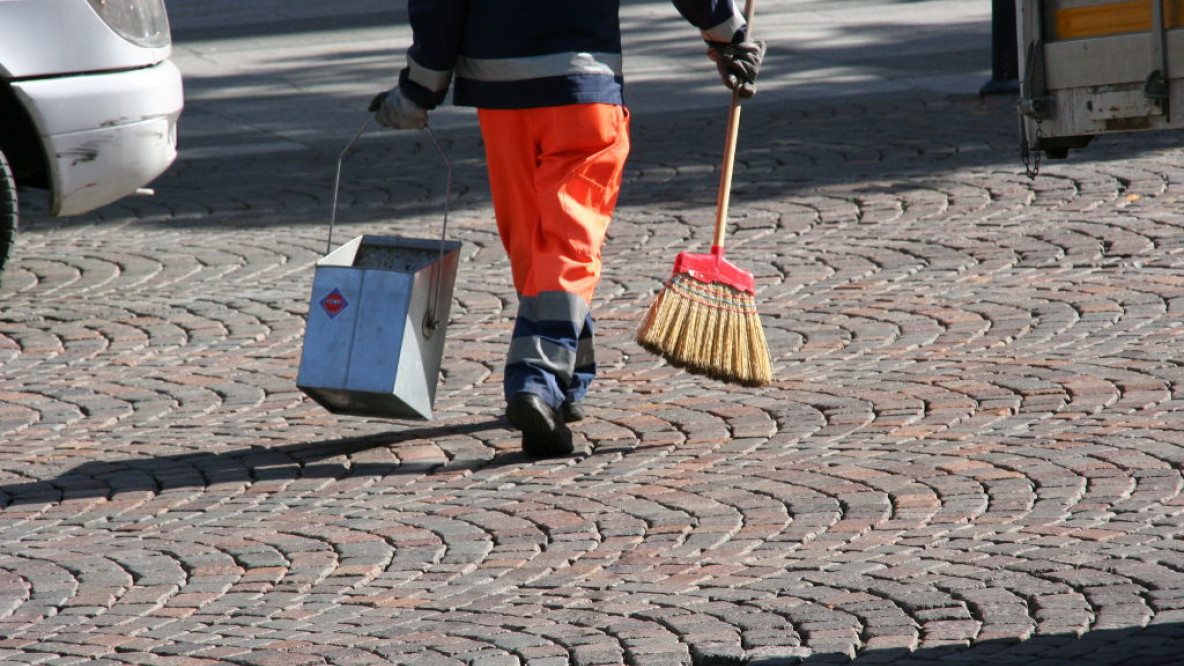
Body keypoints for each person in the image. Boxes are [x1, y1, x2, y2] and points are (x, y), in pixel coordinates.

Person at [375, 0, 765, 458]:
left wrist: (421, 86)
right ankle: (537, 382)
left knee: (531, 243)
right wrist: (728, 33)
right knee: (565, 244)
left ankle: (566, 383)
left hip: (501, 94)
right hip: (584, 88)